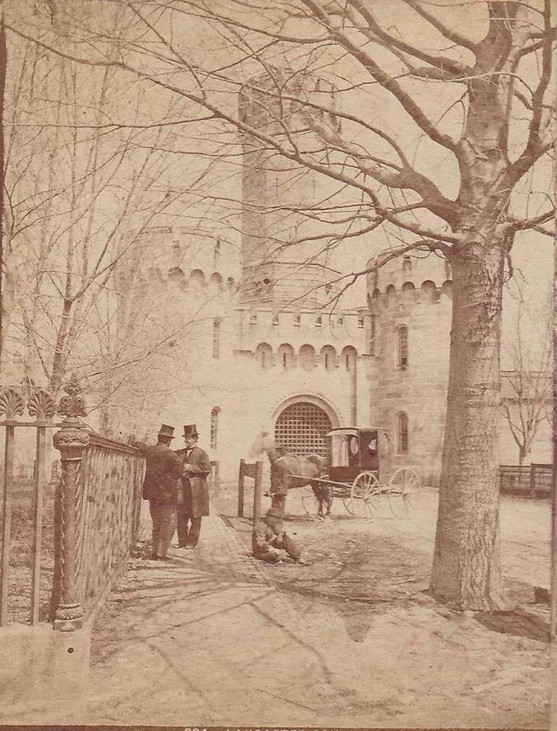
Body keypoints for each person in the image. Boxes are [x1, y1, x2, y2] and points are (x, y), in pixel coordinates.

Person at [141, 424, 183, 560]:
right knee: (167, 524)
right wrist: (170, 480)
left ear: (159, 437)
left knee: (156, 523)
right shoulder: (171, 454)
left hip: (152, 494)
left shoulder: (150, 450)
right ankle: (161, 554)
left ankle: (154, 552)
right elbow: (179, 470)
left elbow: (141, 447)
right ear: (169, 440)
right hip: (166, 495)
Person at [175, 424, 211, 548]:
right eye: (185, 438)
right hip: (182, 490)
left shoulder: (202, 453)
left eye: (189, 438)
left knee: (195, 517)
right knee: (181, 517)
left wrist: (191, 467)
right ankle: (182, 541)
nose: (187, 440)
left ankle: (192, 542)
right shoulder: (180, 453)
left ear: (195, 439)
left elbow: (207, 469)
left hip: (196, 492)